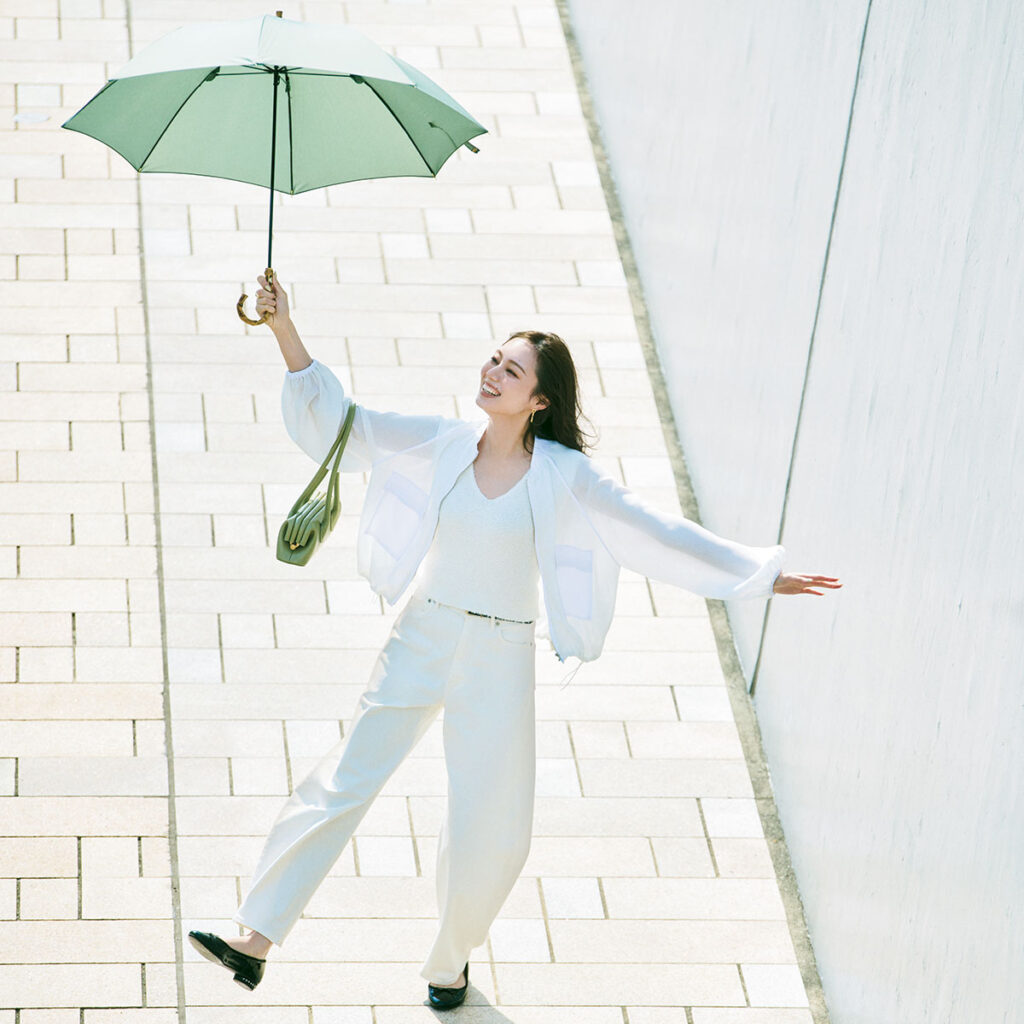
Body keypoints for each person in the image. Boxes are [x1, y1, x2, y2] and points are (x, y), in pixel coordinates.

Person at [188, 275, 841, 1009]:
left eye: (511, 370)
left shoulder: (565, 476)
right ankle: (256, 939)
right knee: (345, 779)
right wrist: (284, 328)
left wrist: (757, 574)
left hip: (499, 658)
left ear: (541, 401)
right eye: (493, 360)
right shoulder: (442, 440)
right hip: (423, 636)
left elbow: (655, 531)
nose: (492, 374)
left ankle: (449, 961)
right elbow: (346, 424)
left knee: (488, 823)